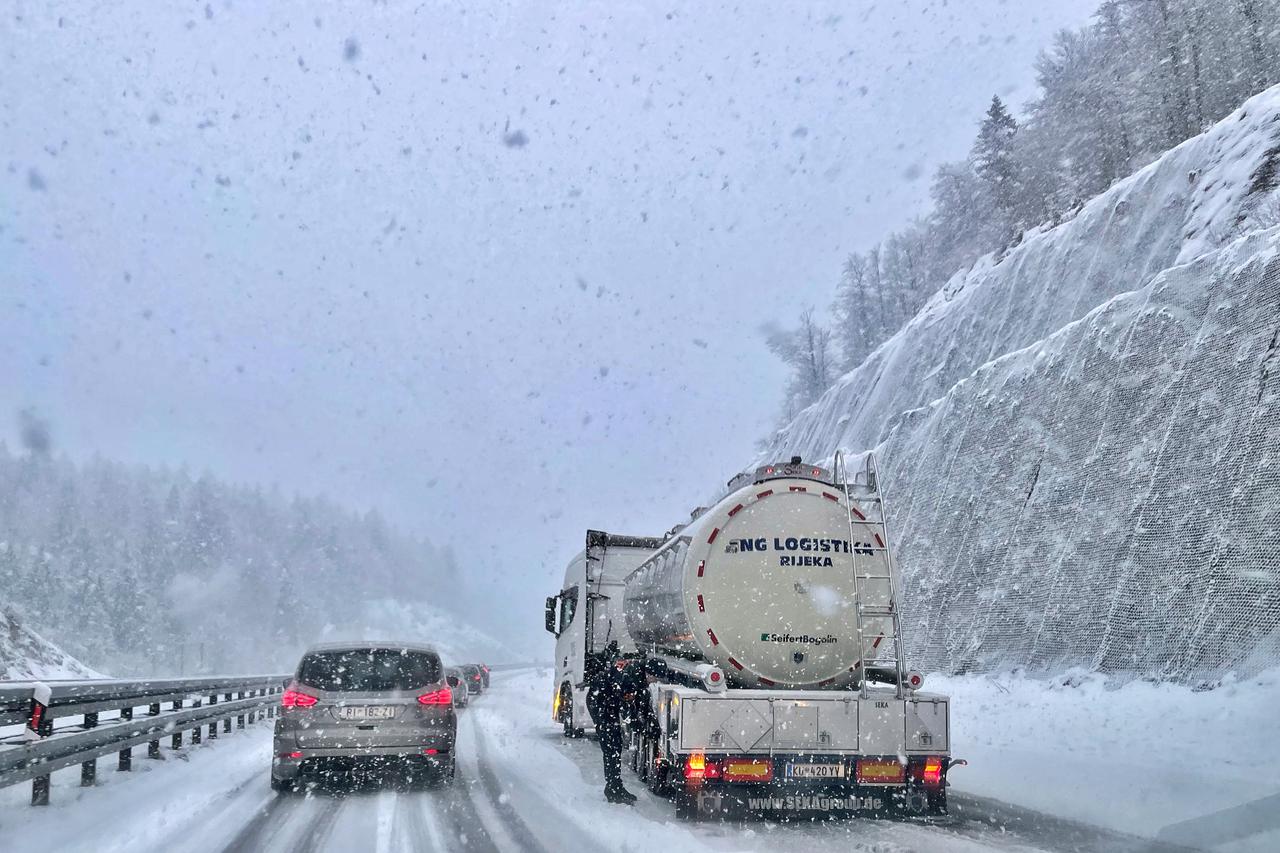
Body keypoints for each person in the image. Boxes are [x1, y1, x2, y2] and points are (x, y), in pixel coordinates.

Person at [585, 641, 636, 805]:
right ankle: (612, 789)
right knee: (611, 748)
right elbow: (621, 694)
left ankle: (616, 785)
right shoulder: (620, 676)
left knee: (616, 747)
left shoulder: (621, 675)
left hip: (606, 707)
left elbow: (623, 700)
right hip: (601, 708)